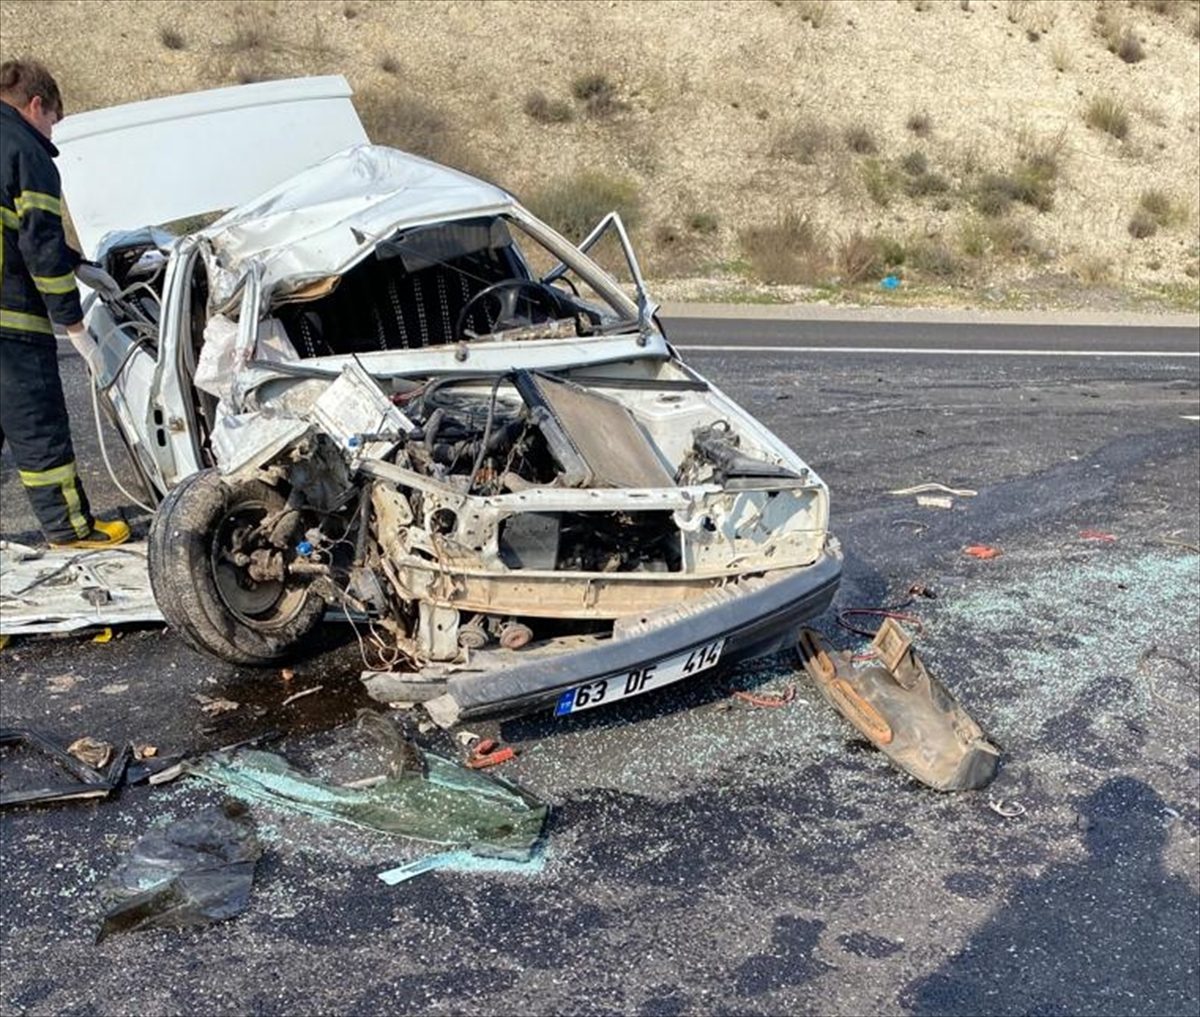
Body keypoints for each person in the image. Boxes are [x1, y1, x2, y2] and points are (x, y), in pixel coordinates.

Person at [0, 58, 128, 547]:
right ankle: (70, 529)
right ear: (36, 105)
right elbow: (38, 242)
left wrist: (77, 261)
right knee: (37, 426)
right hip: (10, 323)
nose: (53, 130)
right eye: (54, 118)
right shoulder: (25, 150)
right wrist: (73, 325)